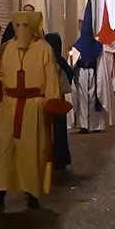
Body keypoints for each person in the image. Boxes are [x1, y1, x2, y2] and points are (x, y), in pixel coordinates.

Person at [0, 9, 71, 209]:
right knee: (4, 150)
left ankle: (32, 193)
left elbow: (51, 79)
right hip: (9, 107)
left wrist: (51, 103)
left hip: (34, 108)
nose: (21, 29)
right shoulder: (6, 49)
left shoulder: (44, 49)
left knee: (31, 151)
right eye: (18, 25)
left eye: (25, 25)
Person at [71, 0, 110, 133]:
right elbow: (72, 62)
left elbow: (101, 63)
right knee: (83, 98)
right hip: (81, 73)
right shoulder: (78, 46)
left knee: (93, 97)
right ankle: (84, 124)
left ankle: (94, 124)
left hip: (93, 73)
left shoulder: (97, 46)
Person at [45, 29, 75, 175]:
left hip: (49, 99)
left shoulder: (50, 60)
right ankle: (59, 159)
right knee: (58, 131)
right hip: (57, 99)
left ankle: (53, 159)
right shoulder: (58, 60)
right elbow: (70, 73)